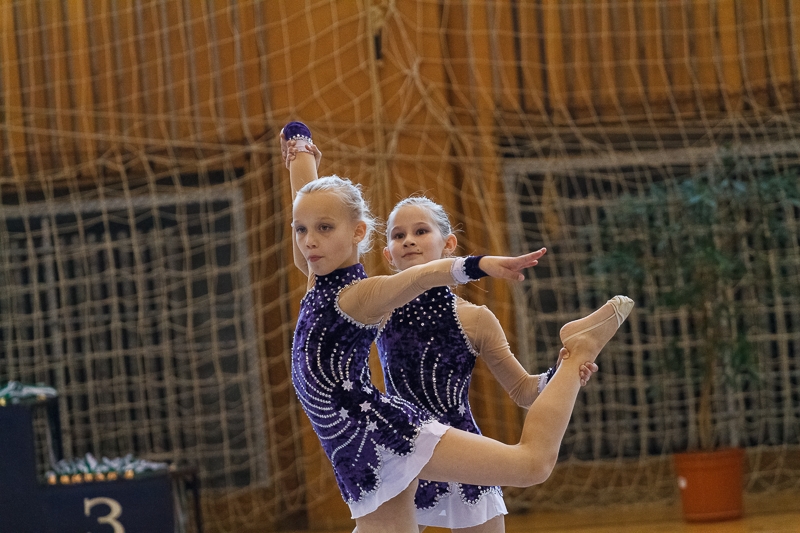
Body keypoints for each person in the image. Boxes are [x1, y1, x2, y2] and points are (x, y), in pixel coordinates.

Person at [281, 121, 633, 533]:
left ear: (359, 233)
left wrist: (479, 266)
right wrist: (299, 150)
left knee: (533, 464)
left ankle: (578, 351)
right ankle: (574, 354)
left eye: (323, 229)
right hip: (355, 446)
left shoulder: (364, 297)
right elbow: (307, 203)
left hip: (384, 432)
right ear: (387, 250)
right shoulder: (319, 282)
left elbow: (422, 278)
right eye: (301, 231)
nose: (309, 241)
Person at [377, 195, 598, 532]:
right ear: (387, 254)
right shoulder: (375, 312)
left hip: (463, 453)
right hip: (403, 451)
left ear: (449, 244)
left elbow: (525, 391)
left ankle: (580, 347)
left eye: (420, 231)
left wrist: (564, 372)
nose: (408, 240)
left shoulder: (474, 318)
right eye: (398, 235)